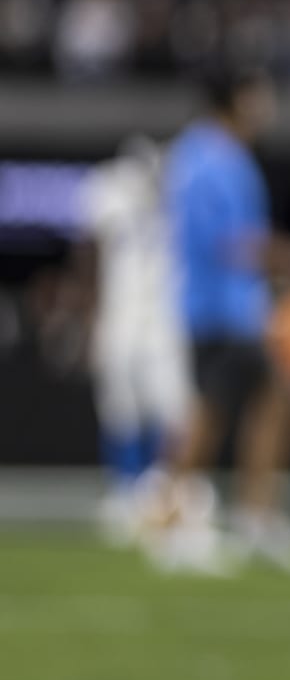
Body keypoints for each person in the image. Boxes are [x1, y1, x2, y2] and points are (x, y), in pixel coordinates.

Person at [158, 68, 290, 574]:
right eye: (258, 95)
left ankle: (253, 517)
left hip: (230, 307)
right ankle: (177, 522)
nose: (266, 106)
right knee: (211, 415)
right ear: (237, 99)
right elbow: (226, 241)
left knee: (273, 397)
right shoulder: (213, 157)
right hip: (220, 307)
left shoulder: (203, 153)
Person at [79, 135, 191, 545]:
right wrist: (90, 312)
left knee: (171, 409)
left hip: (164, 317)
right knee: (120, 408)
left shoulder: (183, 187)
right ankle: (124, 490)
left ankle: (161, 491)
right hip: (121, 314)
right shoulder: (109, 189)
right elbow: (89, 251)